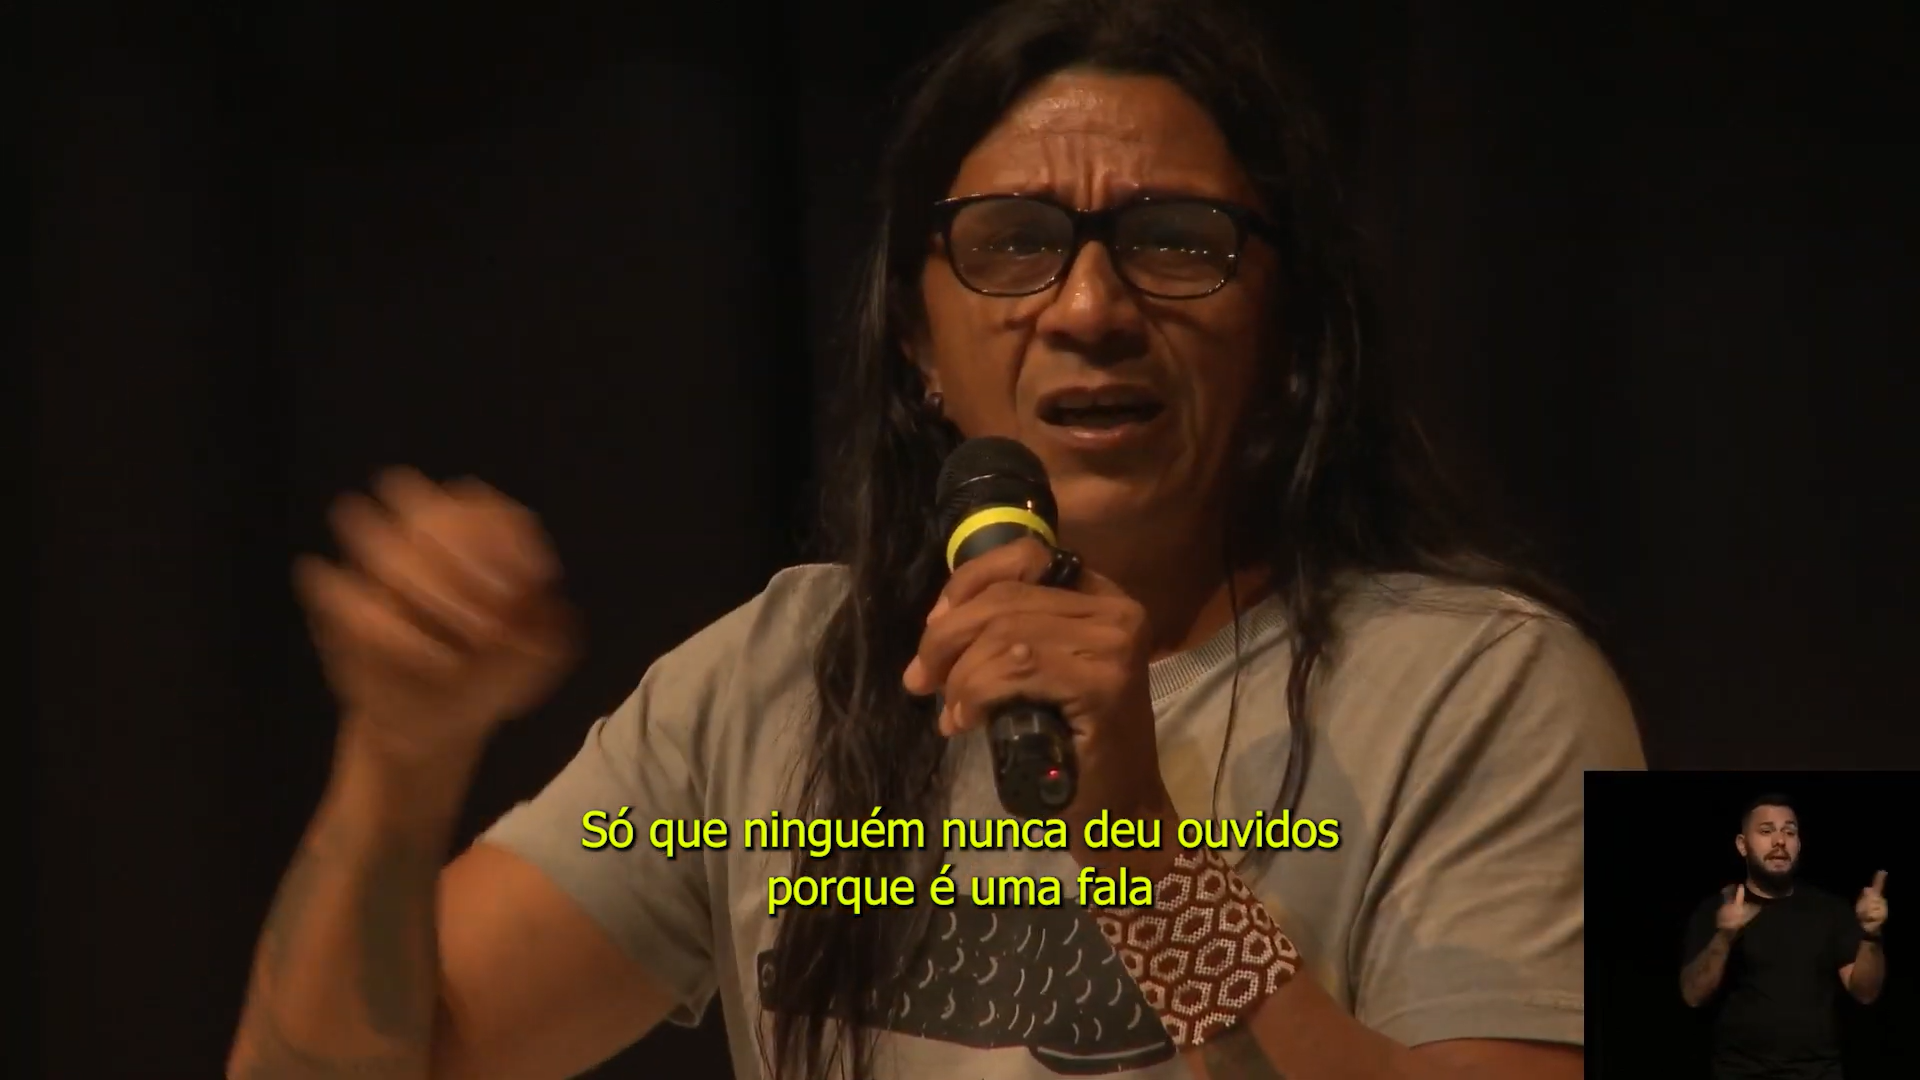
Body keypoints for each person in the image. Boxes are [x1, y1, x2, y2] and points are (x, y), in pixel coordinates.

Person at [225, 1, 1644, 1078]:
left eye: (1173, 239)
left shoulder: (1494, 690)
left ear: (1284, 330)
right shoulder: (774, 678)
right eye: (1013, 242)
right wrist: (400, 760)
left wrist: (1142, 854)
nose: (1089, 307)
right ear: (917, 341)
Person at [1679, 794, 1889, 1079]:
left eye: (1789, 832)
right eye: (1766, 831)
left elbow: (1865, 992)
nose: (1780, 841)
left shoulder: (1829, 910)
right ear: (1742, 844)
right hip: (1739, 1072)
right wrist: (1724, 937)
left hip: (1818, 1072)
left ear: (1798, 844)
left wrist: (1871, 934)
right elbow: (1693, 996)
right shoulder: (1716, 909)